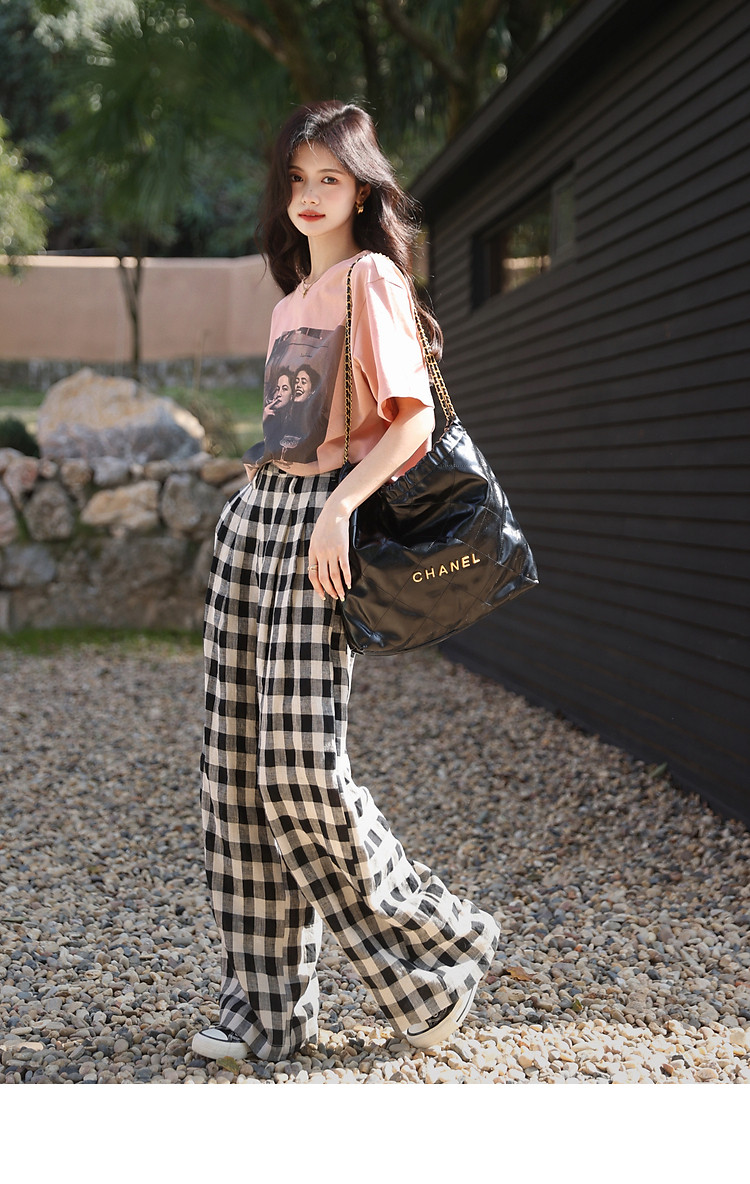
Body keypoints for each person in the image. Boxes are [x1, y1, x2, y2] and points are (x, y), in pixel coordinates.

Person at [193, 100, 500, 1064]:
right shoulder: (292, 299)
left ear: (363, 189)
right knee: (233, 777)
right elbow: (294, 425)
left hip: (323, 524)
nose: (310, 195)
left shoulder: (372, 277)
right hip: (257, 520)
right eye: (297, 178)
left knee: (298, 768)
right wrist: (257, 494)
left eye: (329, 178)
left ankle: (437, 951)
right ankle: (268, 1008)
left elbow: (411, 422)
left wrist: (339, 508)